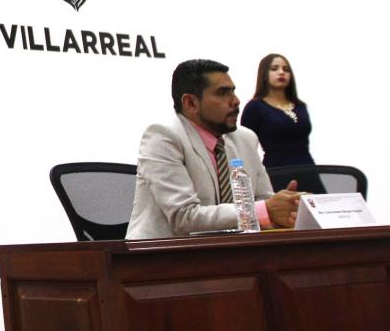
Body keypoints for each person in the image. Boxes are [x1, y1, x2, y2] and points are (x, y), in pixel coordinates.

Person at [127, 59, 302, 240]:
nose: (235, 101)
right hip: (160, 259)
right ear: (191, 103)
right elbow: (184, 217)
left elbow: (264, 202)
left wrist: (285, 210)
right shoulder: (162, 137)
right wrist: (264, 210)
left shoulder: (246, 139)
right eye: (222, 93)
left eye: (233, 91)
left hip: (229, 256)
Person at [241, 53, 325, 193]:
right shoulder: (254, 107)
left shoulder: (300, 106)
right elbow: (245, 148)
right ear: (264, 74)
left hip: (308, 170)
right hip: (277, 172)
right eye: (274, 68)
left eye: (286, 69)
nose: (281, 72)